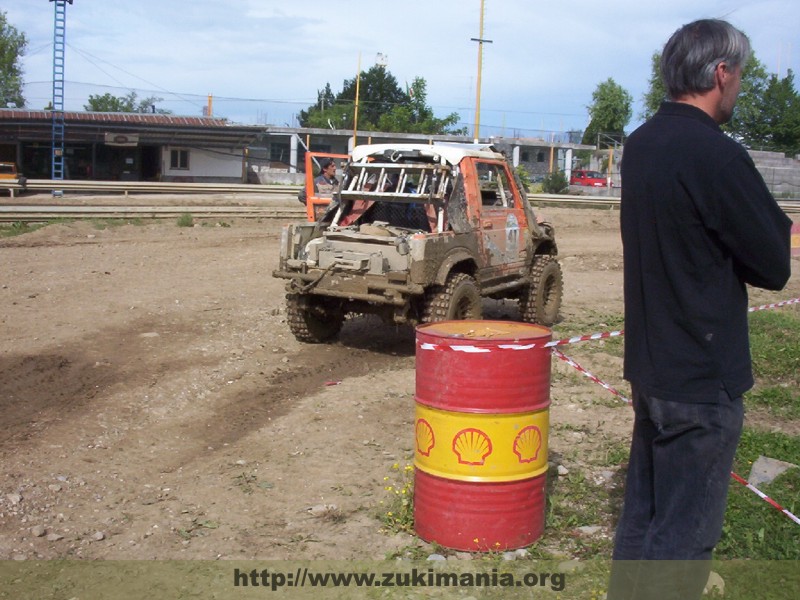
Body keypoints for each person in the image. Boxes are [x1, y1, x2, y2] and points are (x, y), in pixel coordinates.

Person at [608, 19, 792, 600]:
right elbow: (772, 264)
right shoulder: (716, 154)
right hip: (699, 375)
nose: (739, 86)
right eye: (739, 74)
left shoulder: (641, 144)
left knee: (644, 516)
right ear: (720, 73)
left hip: (653, 365)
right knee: (684, 538)